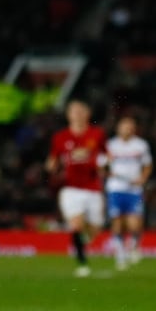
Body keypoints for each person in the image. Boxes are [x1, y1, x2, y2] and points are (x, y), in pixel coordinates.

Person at [45, 100, 107, 277]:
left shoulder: (97, 134)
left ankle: (81, 242)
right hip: (71, 189)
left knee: (94, 231)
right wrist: (51, 167)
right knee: (76, 225)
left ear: (88, 114)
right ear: (69, 115)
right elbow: (53, 160)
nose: (78, 114)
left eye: (81, 111)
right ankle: (82, 263)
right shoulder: (60, 137)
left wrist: (104, 164)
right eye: (74, 111)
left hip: (93, 188)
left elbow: (106, 155)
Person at [104, 115, 152, 270]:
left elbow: (147, 165)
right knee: (117, 221)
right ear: (118, 128)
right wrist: (106, 173)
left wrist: (142, 179)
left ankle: (133, 244)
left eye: (130, 126)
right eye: (125, 126)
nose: (128, 129)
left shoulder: (141, 145)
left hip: (133, 189)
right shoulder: (110, 145)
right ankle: (120, 253)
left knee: (134, 223)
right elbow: (101, 165)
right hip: (115, 188)